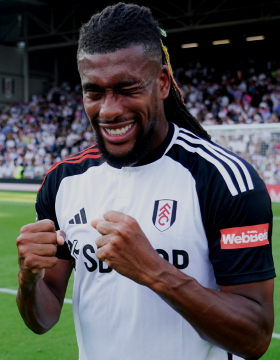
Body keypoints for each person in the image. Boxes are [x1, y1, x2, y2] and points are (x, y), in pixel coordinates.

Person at [16, 3, 275, 360]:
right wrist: (27, 281)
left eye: (126, 88)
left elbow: (255, 336)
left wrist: (153, 269)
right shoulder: (63, 181)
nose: (109, 110)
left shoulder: (224, 180)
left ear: (163, 83)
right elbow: (43, 318)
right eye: (94, 92)